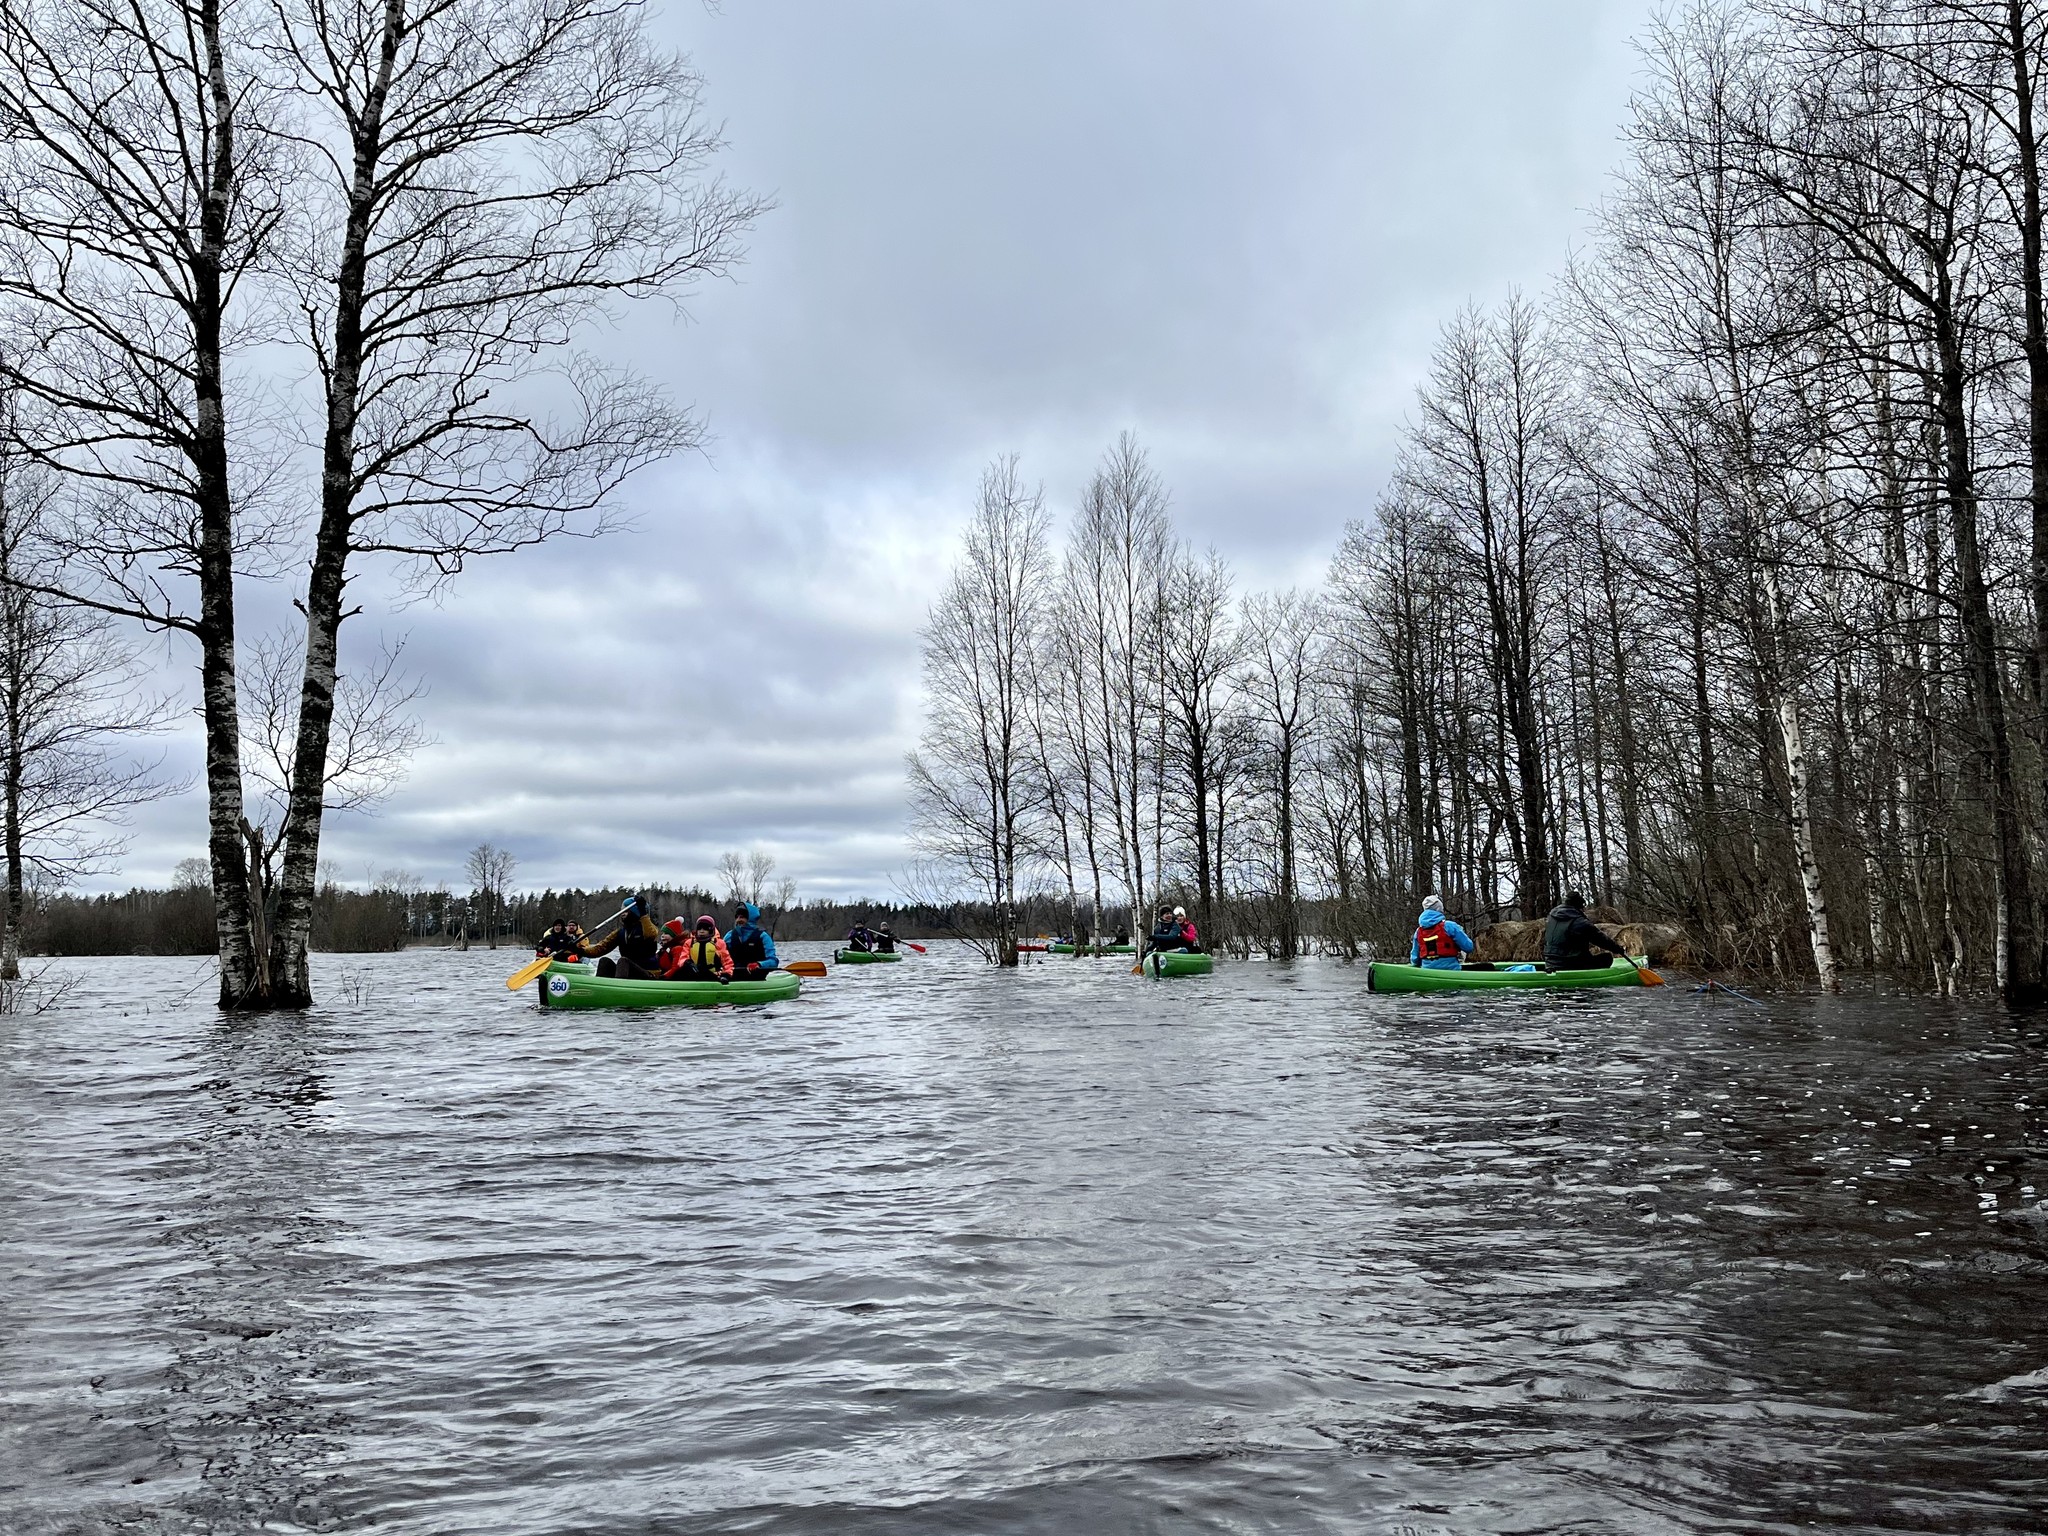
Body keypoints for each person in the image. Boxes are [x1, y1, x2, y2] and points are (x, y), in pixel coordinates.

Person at [582, 895, 662, 978]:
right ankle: (600, 986)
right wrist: (581, 951)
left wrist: (643, 913)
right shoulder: (621, 932)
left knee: (623, 961)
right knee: (604, 961)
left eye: (626, 910)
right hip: (629, 972)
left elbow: (651, 934)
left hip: (648, 972)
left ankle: (618, 988)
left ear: (635, 912)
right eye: (622, 910)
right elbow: (601, 948)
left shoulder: (647, 928)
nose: (622, 913)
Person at [1543, 890, 1624, 971]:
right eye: (1582, 906)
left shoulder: (1551, 916)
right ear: (1578, 906)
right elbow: (1601, 939)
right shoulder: (1580, 922)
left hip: (1549, 962)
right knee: (1607, 958)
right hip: (1569, 964)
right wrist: (1618, 949)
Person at [1409, 894, 1476, 970]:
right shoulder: (1450, 926)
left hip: (1426, 970)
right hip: (1451, 970)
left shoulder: (1418, 932)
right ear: (1440, 909)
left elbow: (1415, 959)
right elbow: (1469, 947)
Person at [662, 915, 733, 981]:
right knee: (680, 973)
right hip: (693, 973)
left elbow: (727, 961)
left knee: (704, 971)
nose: (701, 931)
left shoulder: (718, 943)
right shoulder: (689, 942)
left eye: (705, 929)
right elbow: (682, 958)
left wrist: (726, 974)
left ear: (711, 930)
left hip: (713, 975)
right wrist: (687, 962)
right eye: (699, 929)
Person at [723, 901, 780, 980]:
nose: (738, 920)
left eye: (742, 917)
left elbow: (773, 961)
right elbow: (720, 957)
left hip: (756, 979)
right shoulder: (729, 936)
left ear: (750, 918)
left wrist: (759, 964)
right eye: (737, 917)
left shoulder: (763, 937)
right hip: (732, 978)